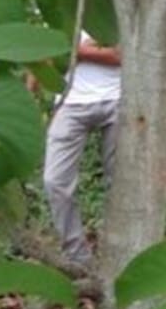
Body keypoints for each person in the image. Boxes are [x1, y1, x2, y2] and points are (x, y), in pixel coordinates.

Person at [43, 32, 120, 267]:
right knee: (54, 180)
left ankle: (119, 252)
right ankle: (78, 259)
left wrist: (73, 50)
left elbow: (123, 55)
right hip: (68, 102)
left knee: (119, 181)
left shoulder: (112, 10)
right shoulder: (58, 16)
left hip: (118, 98)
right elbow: (44, 57)